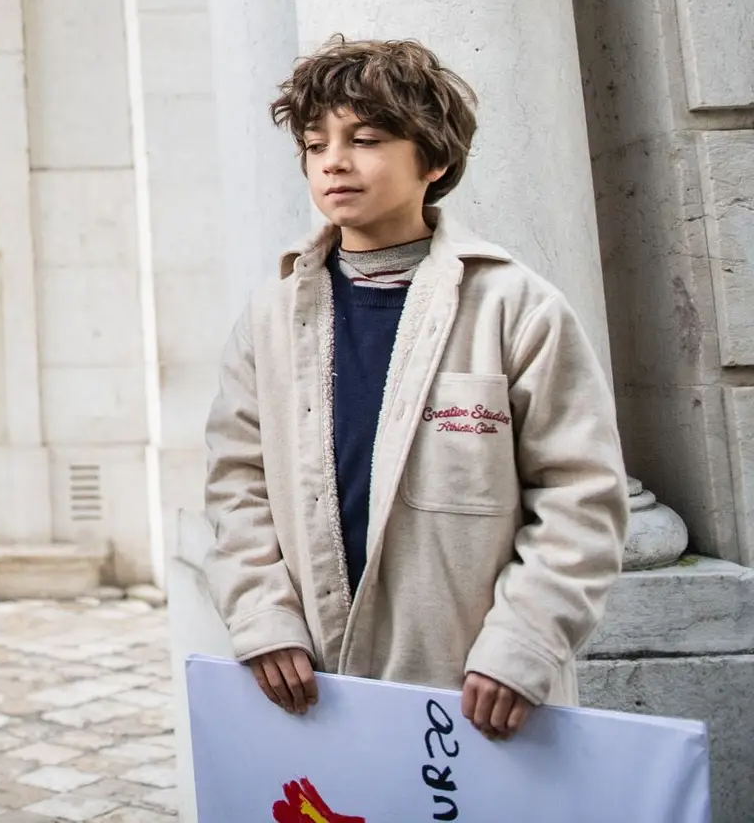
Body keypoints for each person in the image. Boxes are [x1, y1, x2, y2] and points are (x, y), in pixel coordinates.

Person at [203, 37, 627, 741]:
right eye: (315, 144)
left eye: (365, 138)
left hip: (477, 698)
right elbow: (235, 484)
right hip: (315, 692)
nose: (333, 160)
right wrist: (262, 617)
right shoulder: (270, 317)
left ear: (433, 159)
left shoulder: (516, 307)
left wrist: (521, 645)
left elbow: (581, 497)